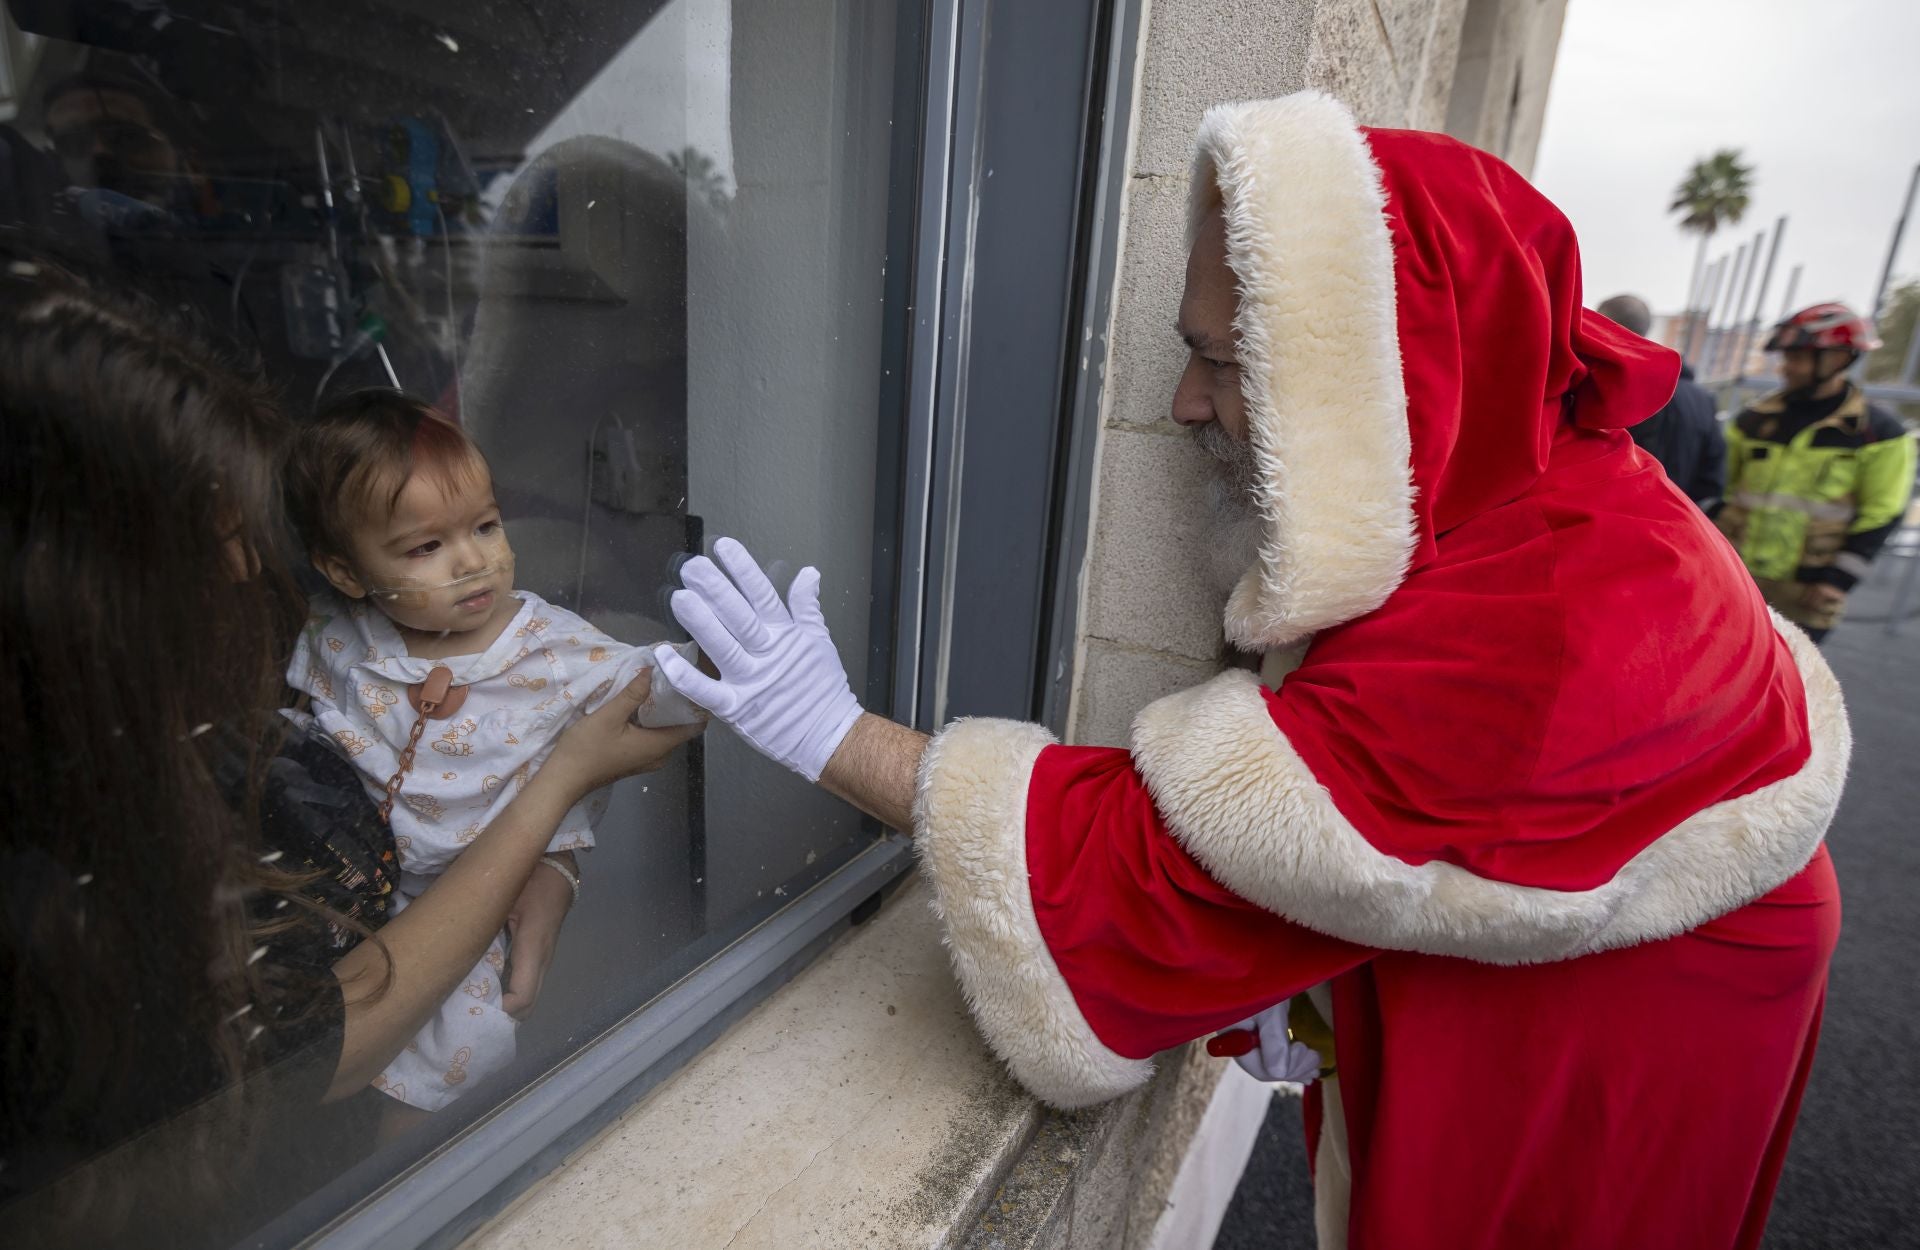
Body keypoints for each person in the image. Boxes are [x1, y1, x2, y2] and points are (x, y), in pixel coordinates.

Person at [650, 94, 1846, 1250]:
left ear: (1378, 385)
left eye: (1222, 362)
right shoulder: (1528, 488)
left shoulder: (1542, 628)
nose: (1182, 403)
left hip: (1618, 1039)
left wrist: (830, 732)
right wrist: (1329, 978)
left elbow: (1147, 874)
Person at [0, 247, 703, 1247]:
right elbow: (301, 1040)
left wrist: (565, 841)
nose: (253, 567)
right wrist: (559, 789)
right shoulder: (67, 896)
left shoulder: (214, 710)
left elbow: (652, 689)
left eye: (486, 527)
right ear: (89, 597)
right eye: (218, 538)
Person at [282, 389, 701, 1116]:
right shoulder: (337, 632)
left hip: (466, 900)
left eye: (484, 525)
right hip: (340, 893)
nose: (472, 561)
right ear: (347, 573)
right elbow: (292, 717)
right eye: (426, 547)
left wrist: (727, 666)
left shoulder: (549, 648)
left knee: (445, 1066)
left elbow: (650, 685)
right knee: (312, 1074)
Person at [1716, 302, 1917, 644]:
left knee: (1794, 684)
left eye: (1797, 358)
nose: (1786, 369)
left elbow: (1882, 513)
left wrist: (1837, 581)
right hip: (1738, 579)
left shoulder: (1878, 434)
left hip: (1807, 590)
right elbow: (1724, 491)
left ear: (1837, 359)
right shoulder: (1753, 421)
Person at [1596, 292, 1726, 507]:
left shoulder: (1607, 390)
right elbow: (1712, 479)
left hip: (1617, 522)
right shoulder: (1703, 400)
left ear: (1604, 326)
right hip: (1675, 524)